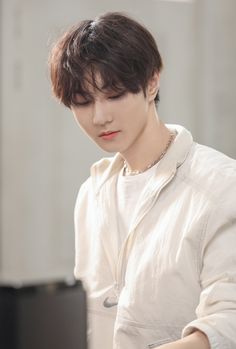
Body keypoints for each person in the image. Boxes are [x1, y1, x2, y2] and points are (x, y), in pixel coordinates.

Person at [48, 12, 236, 349]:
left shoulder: (220, 186)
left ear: (151, 83)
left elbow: (228, 323)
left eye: (115, 95)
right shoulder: (92, 193)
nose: (100, 117)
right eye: (83, 102)